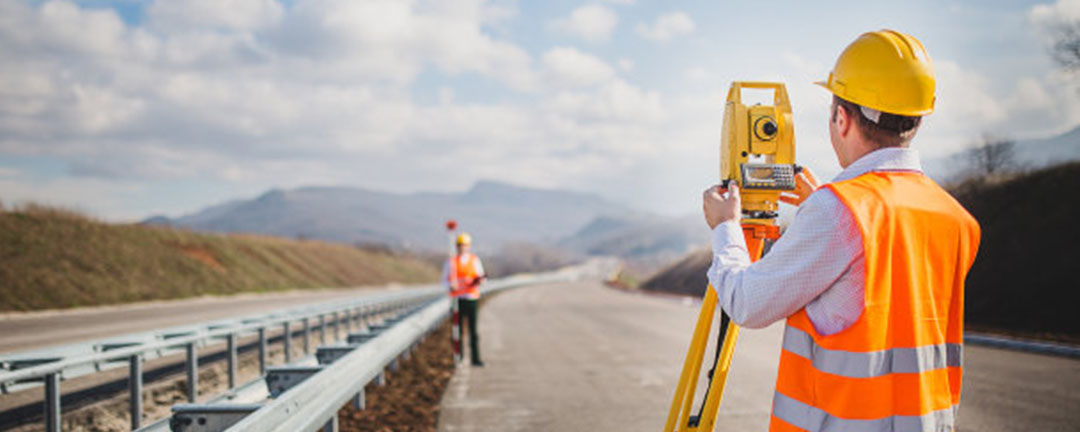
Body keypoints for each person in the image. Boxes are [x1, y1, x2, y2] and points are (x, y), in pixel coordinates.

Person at [702, 30, 981, 432]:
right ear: (916, 121)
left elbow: (747, 302)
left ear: (842, 118)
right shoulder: (955, 217)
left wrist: (725, 227)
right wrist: (825, 205)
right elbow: (886, 277)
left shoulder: (839, 213)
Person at [444, 232, 486, 366]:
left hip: (472, 298)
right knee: (458, 330)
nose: (463, 248)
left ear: (469, 246)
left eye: (465, 245)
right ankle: (459, 358)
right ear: (457, 246)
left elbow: (482, 278)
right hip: (457, 300)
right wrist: (451, 285)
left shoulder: (475, 260)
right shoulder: (451, 262)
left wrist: (478, 281)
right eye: (461, 245)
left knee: (473, 330)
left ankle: (475, 358)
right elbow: (444, 280)